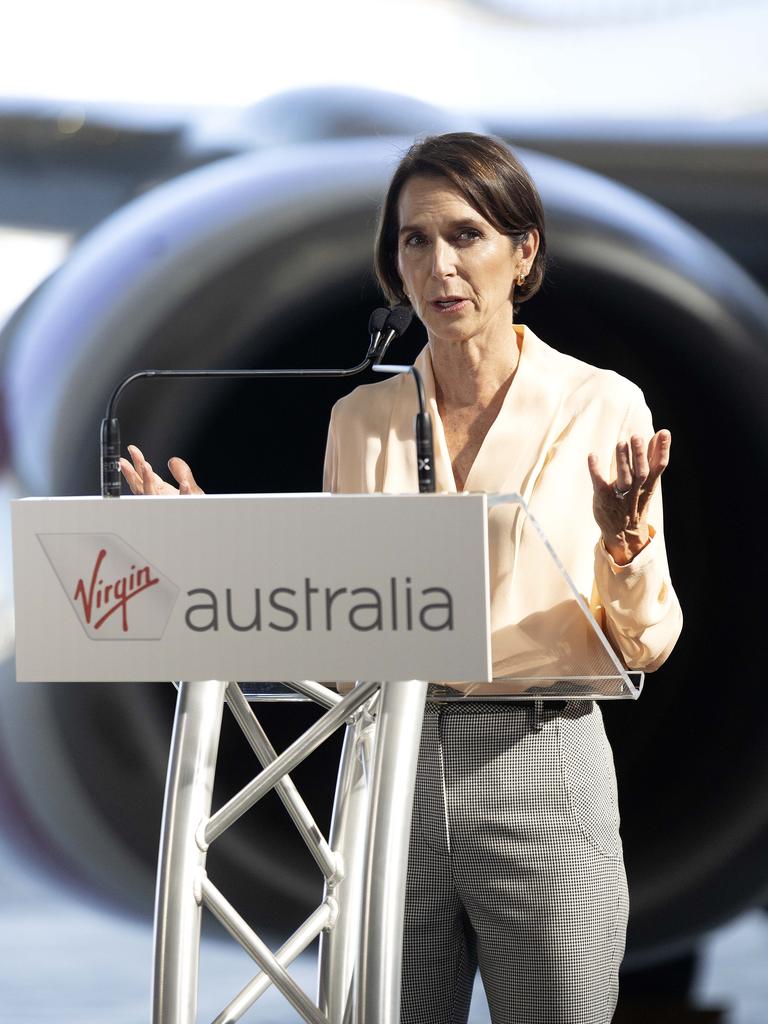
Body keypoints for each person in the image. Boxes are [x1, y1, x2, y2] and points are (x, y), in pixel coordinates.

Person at [121, 132, 683, 1024]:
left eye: (465, 236)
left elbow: (645, 643)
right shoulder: (363, 418)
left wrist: (625, 543)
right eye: (414, 241)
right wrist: (206, 554)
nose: (438, 265)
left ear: (523, 252)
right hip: (387, 770)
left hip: (539, 764)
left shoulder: (600, 404)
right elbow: (340, 635)